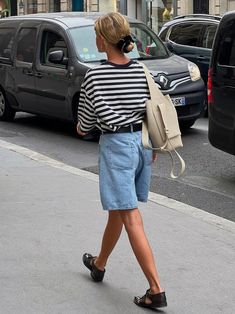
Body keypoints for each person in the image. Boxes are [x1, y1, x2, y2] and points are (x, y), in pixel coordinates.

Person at [77, 12, 167, 310]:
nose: (95, 38)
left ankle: (155, 289)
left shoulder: (95, 75)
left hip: (117, 148)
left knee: (130, 215)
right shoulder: (141, 70)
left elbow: (84, 124)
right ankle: (99, 264)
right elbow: (150, 109)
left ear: (103, 40)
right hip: (142, 146)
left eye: (96, 34)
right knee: (119, 209)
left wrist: (85, 124)